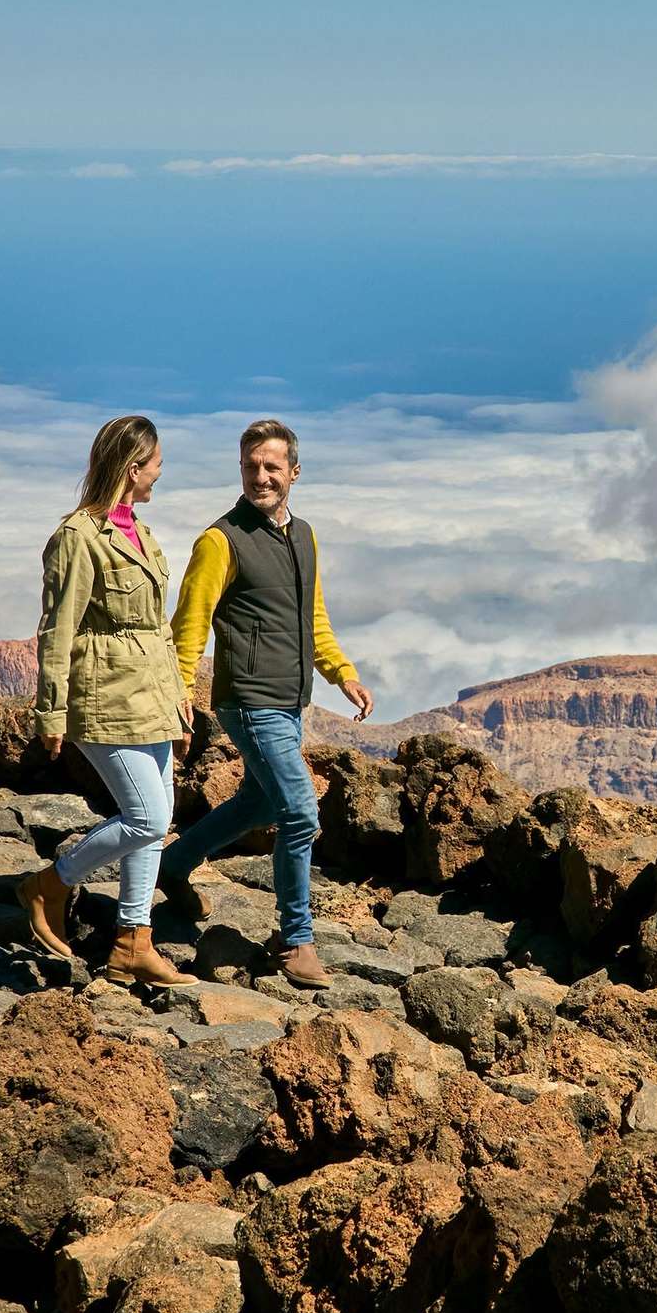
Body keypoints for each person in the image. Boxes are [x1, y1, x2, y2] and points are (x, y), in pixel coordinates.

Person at [160, 418, 374, 989]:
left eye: (272, 467)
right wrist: (181, 690)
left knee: (258, 804)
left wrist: (341, 673)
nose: (262, 476)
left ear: (294, 472)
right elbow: (191, 623)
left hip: (290, 700)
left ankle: (173, 865)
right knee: (300, 811)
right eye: (252, 466)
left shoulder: (303, 535)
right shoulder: (220, 540)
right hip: (248, 700)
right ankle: (295, 939)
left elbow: (313, 619)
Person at [15, 414, 200, 989]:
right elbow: (57, 629)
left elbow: (158, 627)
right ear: (131, 467)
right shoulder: (77, 537)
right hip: (102, 697)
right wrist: (50, 710)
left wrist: (179, 696)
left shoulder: (139, 532)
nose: (159, 477)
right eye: (156, 467)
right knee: (146, 817)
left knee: (156, 820)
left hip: (150, 695)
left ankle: (131, 942)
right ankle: (51, 882)